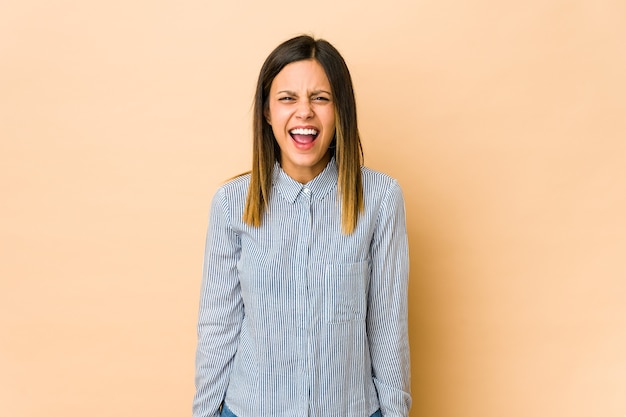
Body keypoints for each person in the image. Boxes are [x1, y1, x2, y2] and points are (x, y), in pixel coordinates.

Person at [193, 34, 411, 417]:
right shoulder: (230, 204)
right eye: (288, 98)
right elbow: (217, 331)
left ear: (340, 110)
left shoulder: (381, 199)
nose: (304, 112)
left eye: (321, 98)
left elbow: (388, 330)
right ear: (267, 112)